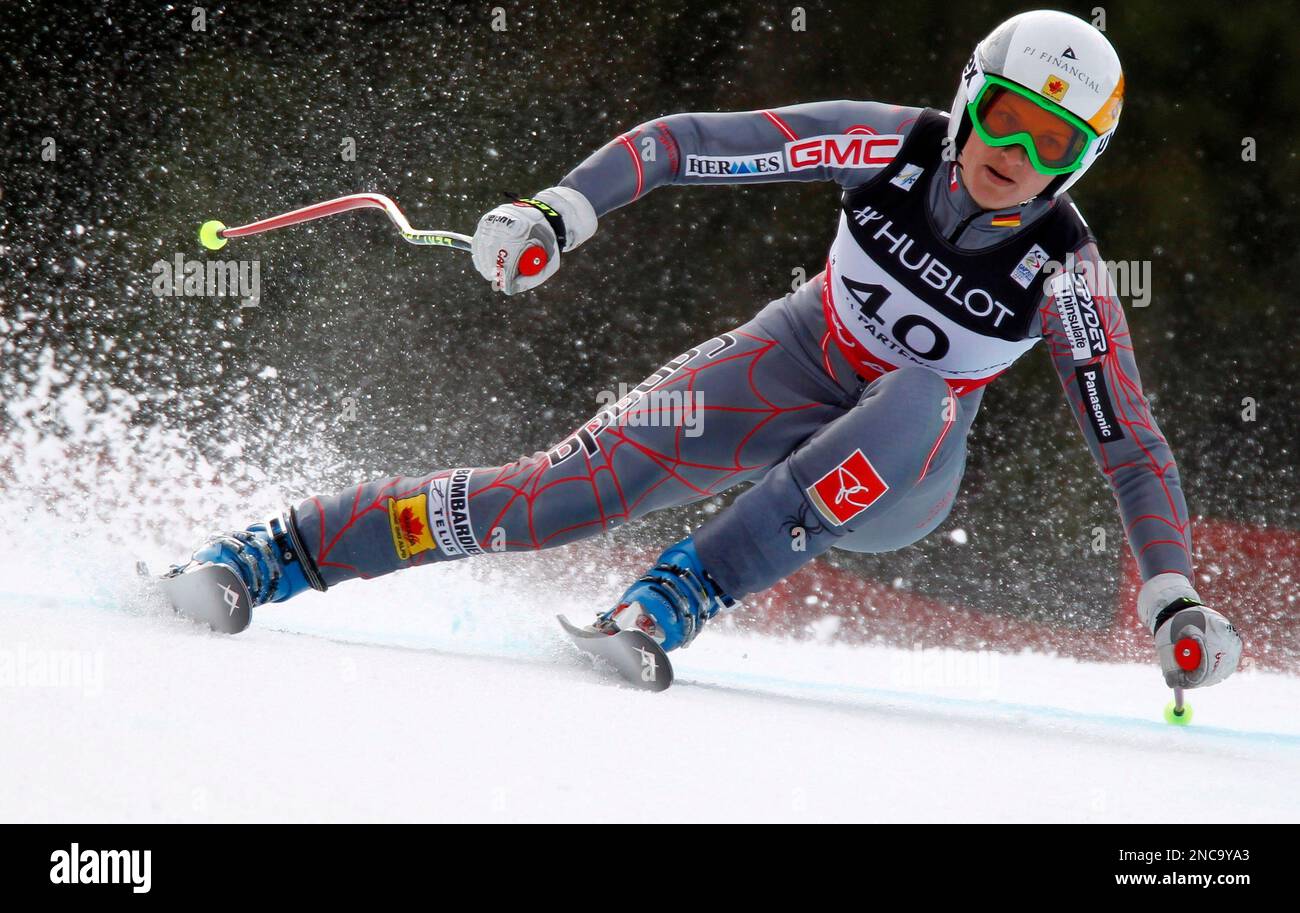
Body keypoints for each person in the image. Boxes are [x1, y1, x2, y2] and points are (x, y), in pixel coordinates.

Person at [184, 10, 1241, 689]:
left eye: (1049, 144)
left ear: (1079, 161)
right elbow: (692, 141)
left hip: (900, 473)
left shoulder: (1065, 269)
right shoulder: (891, 144)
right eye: (1005, 119)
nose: (1011, 156)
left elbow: (1130, 444)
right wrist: (559, 213)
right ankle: (276, 554)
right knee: (548, 496)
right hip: (787, 368)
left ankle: (676, 595)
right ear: (970, 99)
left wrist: (1169, 593)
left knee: (918, 388)